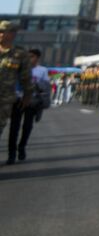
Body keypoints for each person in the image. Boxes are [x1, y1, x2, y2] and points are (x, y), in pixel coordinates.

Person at [0, 22, 35, 159]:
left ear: (12, 34)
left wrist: (27, 96)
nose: (0, 34)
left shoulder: (20, 54)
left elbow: (26, 77)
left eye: (3, 32)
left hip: (5, 99)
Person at [7, 48, 47, 163]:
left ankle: (22, 146)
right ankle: (12, 153)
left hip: (32, 101)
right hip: (18, 100)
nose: (29, 59)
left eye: (32, 57)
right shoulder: (19, 68)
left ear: (37, 58)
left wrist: (37, 86)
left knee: (27, 126)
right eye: (27, 56)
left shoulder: (42, 70)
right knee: (14, 127)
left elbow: (45, 87)